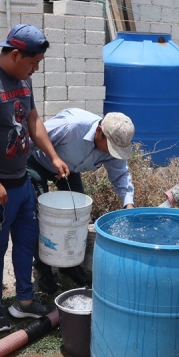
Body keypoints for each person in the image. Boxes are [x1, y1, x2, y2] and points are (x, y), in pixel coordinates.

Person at [0, 24, 69, 332]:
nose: (36, 69)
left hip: (21, 181)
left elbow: (32, 119)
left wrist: (53, 155)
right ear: (15, 54)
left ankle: (24, 301)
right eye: (33, 62)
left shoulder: (24, 80)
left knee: (26, 240)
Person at [26, 108, 136, 293]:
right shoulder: (71, 126)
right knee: (41, 214)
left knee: (76, 213)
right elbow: (33, 139)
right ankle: (44, 269)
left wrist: (129, 204)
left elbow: (120, 175)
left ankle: (68, 264)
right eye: (110, 147)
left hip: (69, 168)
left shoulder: (112, 147)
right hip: (37, 161)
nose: (112, 153)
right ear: (100, 132)